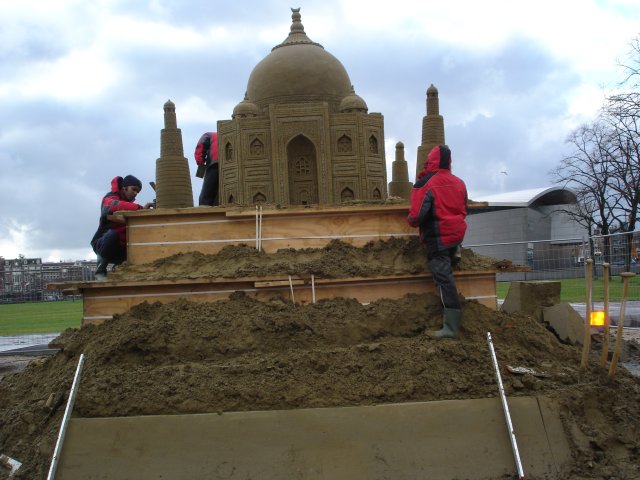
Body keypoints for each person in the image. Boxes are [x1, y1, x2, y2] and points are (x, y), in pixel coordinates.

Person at [407, 145, 468, 338]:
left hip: (438, 237)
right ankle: (456, 249)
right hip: (456, 233)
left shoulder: (425, 183)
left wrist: (410, 220)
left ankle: (450, 328)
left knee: (443, 279)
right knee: (449, 254)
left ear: (430, 160)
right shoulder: (460, 182)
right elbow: (464, 207)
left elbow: (416, 216)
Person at [91, 175, 154, 280]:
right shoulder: (109, 198)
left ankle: (119, 267)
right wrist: (140, 208)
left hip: (120, 249)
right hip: (102, 244)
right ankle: (100, 271)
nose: (135, 193)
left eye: (137, 192)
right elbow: (114, 205)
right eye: (133, 189)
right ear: (124, 187)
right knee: (112, 235)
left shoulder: (129, 205)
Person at [194, 131, 219, 206]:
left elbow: (200, 147)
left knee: (207, 193)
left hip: (214, 164)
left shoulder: (210, 135)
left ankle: (204, 208)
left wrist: (200, 163)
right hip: (231, 165)